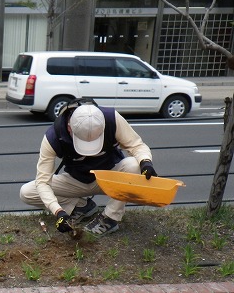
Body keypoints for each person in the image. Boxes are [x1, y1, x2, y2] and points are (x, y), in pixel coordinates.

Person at [20, 99, 157, 236]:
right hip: (76, 181)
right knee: (27, 192)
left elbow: (136, 145)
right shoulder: (53, 137)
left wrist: (145, 162)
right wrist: (58, 211)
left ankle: (109, 218)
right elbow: (43, 182)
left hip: (109, 178)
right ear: (70, 127)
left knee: (134, 165)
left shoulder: (112, 119)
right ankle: (81, 206)